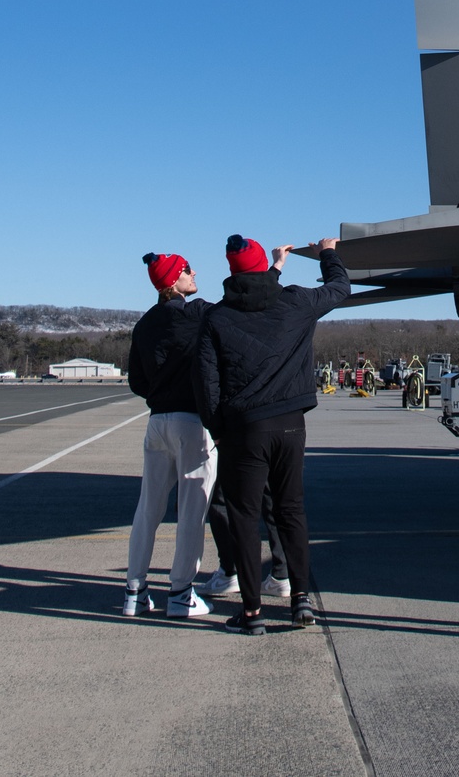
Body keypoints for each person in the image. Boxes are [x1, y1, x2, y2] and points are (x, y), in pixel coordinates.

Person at [196, 234, 350, 636]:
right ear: (263, 263)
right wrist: (328, 255)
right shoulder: (295, 302)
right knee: (291, 511)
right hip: (290, 424)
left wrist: (221, 431)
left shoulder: (216, 317)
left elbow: (207, 387)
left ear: (231, 272)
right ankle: (301, 600)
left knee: (245, 520)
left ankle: (251, 613)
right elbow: (339, 289)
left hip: (245, 430)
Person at [124, 251, 217, 620]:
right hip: (191, 422)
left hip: (157, 420)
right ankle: (180, 592)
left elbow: (137, 381)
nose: (194, 274)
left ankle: (135, 590)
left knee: (148, 508)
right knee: (192, 511)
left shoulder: (144, 324)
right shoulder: (197, 314)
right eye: (188, 270)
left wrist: (159, 393)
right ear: (174, 279)